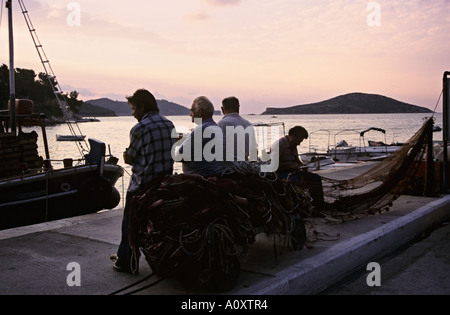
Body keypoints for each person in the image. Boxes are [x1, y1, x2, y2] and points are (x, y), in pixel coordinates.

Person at [112, 89, 176, 274]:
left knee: (129, 224)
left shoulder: (139, 128)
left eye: (133, 109)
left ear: (142, 107)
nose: (132, 114)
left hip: (143, 185)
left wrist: (126, 155)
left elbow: (130, 157)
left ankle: (126, 261)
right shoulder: (169, 124)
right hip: (164, 184)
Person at [271, 126, 325, 212]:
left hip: (293, 171)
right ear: (292, 136)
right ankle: (298, 207)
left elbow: (296, 160)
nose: (299, 144)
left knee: (316, 178)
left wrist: (303, 166)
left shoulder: (293, 144)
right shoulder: (279, 145)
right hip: (279, 173)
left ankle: (318, 207)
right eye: (299, 140)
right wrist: (289, 165)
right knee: (296, 181)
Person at [175, 96, 224, 176]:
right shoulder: (218, 129)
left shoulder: (201, 129)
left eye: (192, 110)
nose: (190, 114)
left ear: (200, 112)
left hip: (199, 177)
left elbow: (178, 157)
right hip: (215, 175)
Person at [217, 96, 257, 162]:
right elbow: (254, 152)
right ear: (238, 107)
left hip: (226, 168)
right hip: (243, 166)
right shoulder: (249, 125)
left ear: (222, 109)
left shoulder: (221, 124)